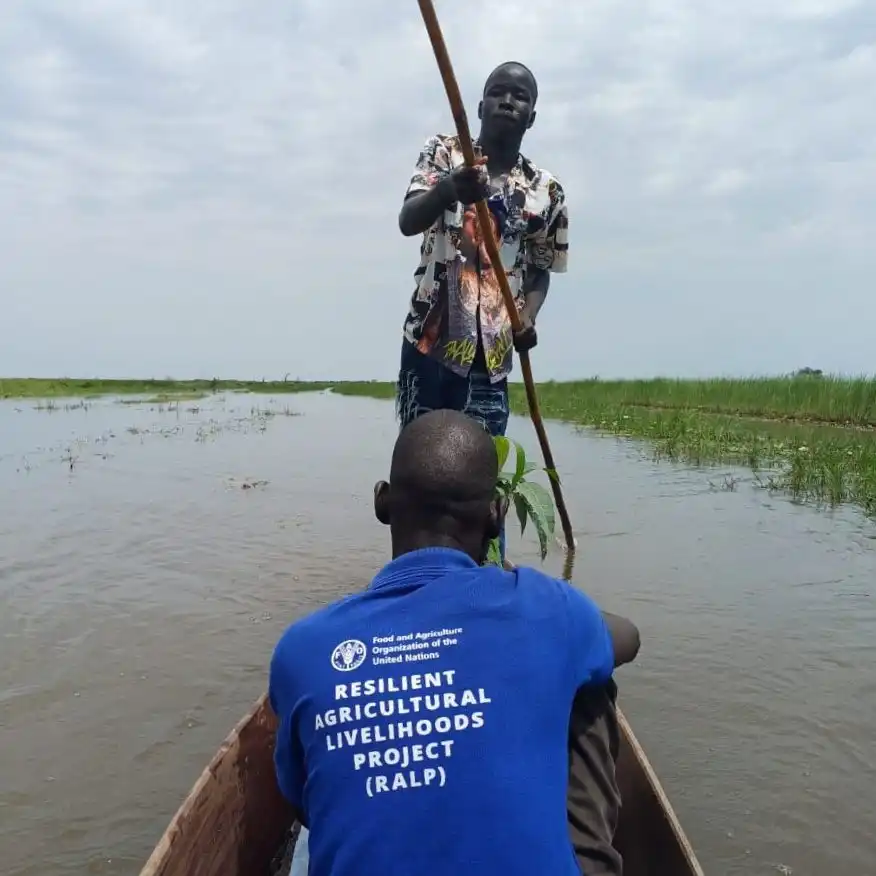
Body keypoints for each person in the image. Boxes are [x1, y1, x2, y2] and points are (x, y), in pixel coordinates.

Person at [270, 410, 639, 876]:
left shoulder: (304, 647)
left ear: (382, 502)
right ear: (495, 517)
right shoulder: (545, 608)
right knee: (590, 679)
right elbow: (628, 638)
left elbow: (303, 805)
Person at [395, 60, 568, 438]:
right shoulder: (444, 153)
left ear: (531, 117)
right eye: (497, 93)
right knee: (419, 462)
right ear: (479, 108)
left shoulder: (547, 190)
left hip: (491, 360)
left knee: (481, 467)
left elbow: (541, 268)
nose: (507, 101)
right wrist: (448, 189)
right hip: (428, 349)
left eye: (520, 97)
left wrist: (528, 316)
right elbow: (408, 221)